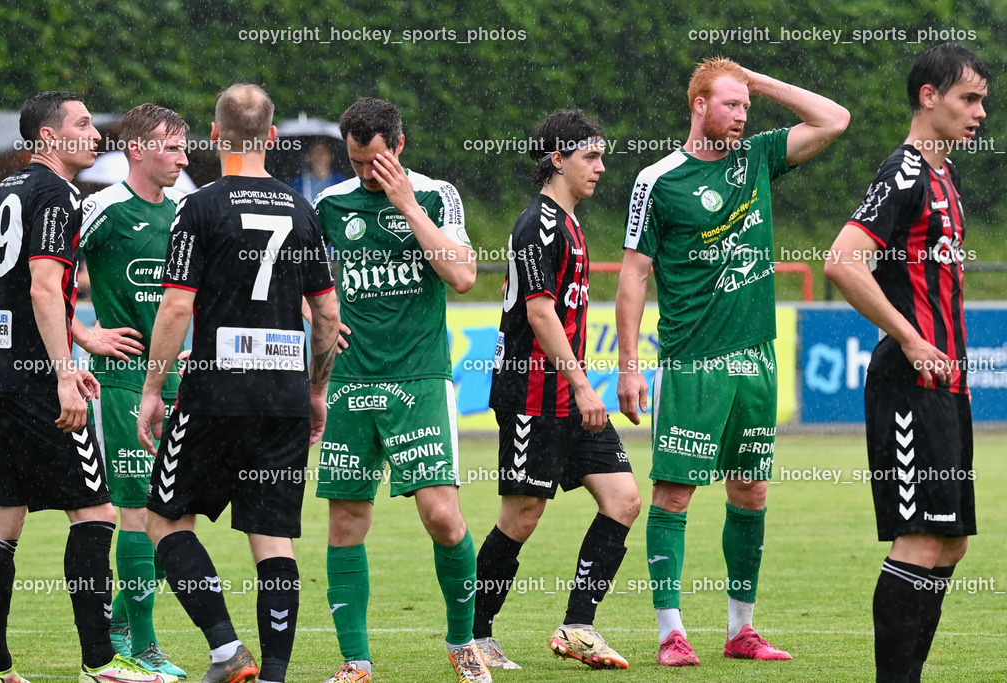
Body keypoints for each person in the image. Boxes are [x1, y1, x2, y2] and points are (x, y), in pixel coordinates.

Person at [615, 58, 849, 666]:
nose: (743, 116)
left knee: (750, 491)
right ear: (698, 105)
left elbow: (834, 120)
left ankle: (741, 630)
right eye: (731, 105)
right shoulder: (657, 180)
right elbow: (634, 278)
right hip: (693, 360)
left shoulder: (758, 157)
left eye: (747, 107)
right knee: (674, 494)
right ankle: (672, 634)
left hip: (755, 357)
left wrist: (758, 81)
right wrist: (629, 364)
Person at [137, 83, 340, 683]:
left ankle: (226, 649)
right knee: (273, 539)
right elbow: (327, 315)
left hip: (214, 392)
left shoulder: (196, 209)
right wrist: (315, 391)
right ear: (273, 138)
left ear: (216, 137)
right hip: (281, 398)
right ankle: (274, 674)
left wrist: (153, 389)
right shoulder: (303, 211)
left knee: (167, 520)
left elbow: (176, 308)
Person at [0, 91, 166, 683]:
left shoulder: (1, 195)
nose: (95, 135)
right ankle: (101, 662)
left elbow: (16, 291)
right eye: (82, 125)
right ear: (47, 137)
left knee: (0, 520)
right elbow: (42, 286)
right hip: (38, 385)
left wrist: (79, 341)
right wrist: (63, 371)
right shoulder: (60, 194)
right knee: (95, 512)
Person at [824, 44, 988, 683]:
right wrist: (913, 338)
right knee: (920, 539)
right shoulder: (906, 173)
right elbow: (841, 260)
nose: (980, 112)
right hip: (908, 384)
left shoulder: (944, 177)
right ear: (929, 97)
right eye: (968, 98)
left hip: (947, 388)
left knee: (951, 542)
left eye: (981, 101)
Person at [313, 97, 490, 683]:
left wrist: (406, 205)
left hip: (419, 379)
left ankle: (464, 642)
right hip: (352, 381)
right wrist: (323, 319)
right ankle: (355, 660)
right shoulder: (330, 204)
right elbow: (302, 278)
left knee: (442, 516)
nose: (366, 174)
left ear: (400, 145)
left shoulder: (436, 195)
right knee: (346, 522)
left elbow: (463, 276)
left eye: (377, 160)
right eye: (358, 162)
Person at [474, 109, 640, 671]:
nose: (600, 167)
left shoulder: (569, 223)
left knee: (623, 500)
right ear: (557, 159)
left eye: (601, 156)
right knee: (523, 513)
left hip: (569, 396)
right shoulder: (537, 224)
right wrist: (584, 384)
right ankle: (473, 635)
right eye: (589, 157)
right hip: (533, 393)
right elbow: (540, 313)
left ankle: (577, 627)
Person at [77, 103, 191, 680]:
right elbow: (35, 273)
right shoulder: (102, 208)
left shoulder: (184, 214)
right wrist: (85, 335)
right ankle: (140, 647)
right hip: (124, 383)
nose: (184, 157)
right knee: (140, 512)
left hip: (174, 383)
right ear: (138, 149)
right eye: (172, 147)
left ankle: (122, 621)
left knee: (177, 518)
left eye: (185, 145)